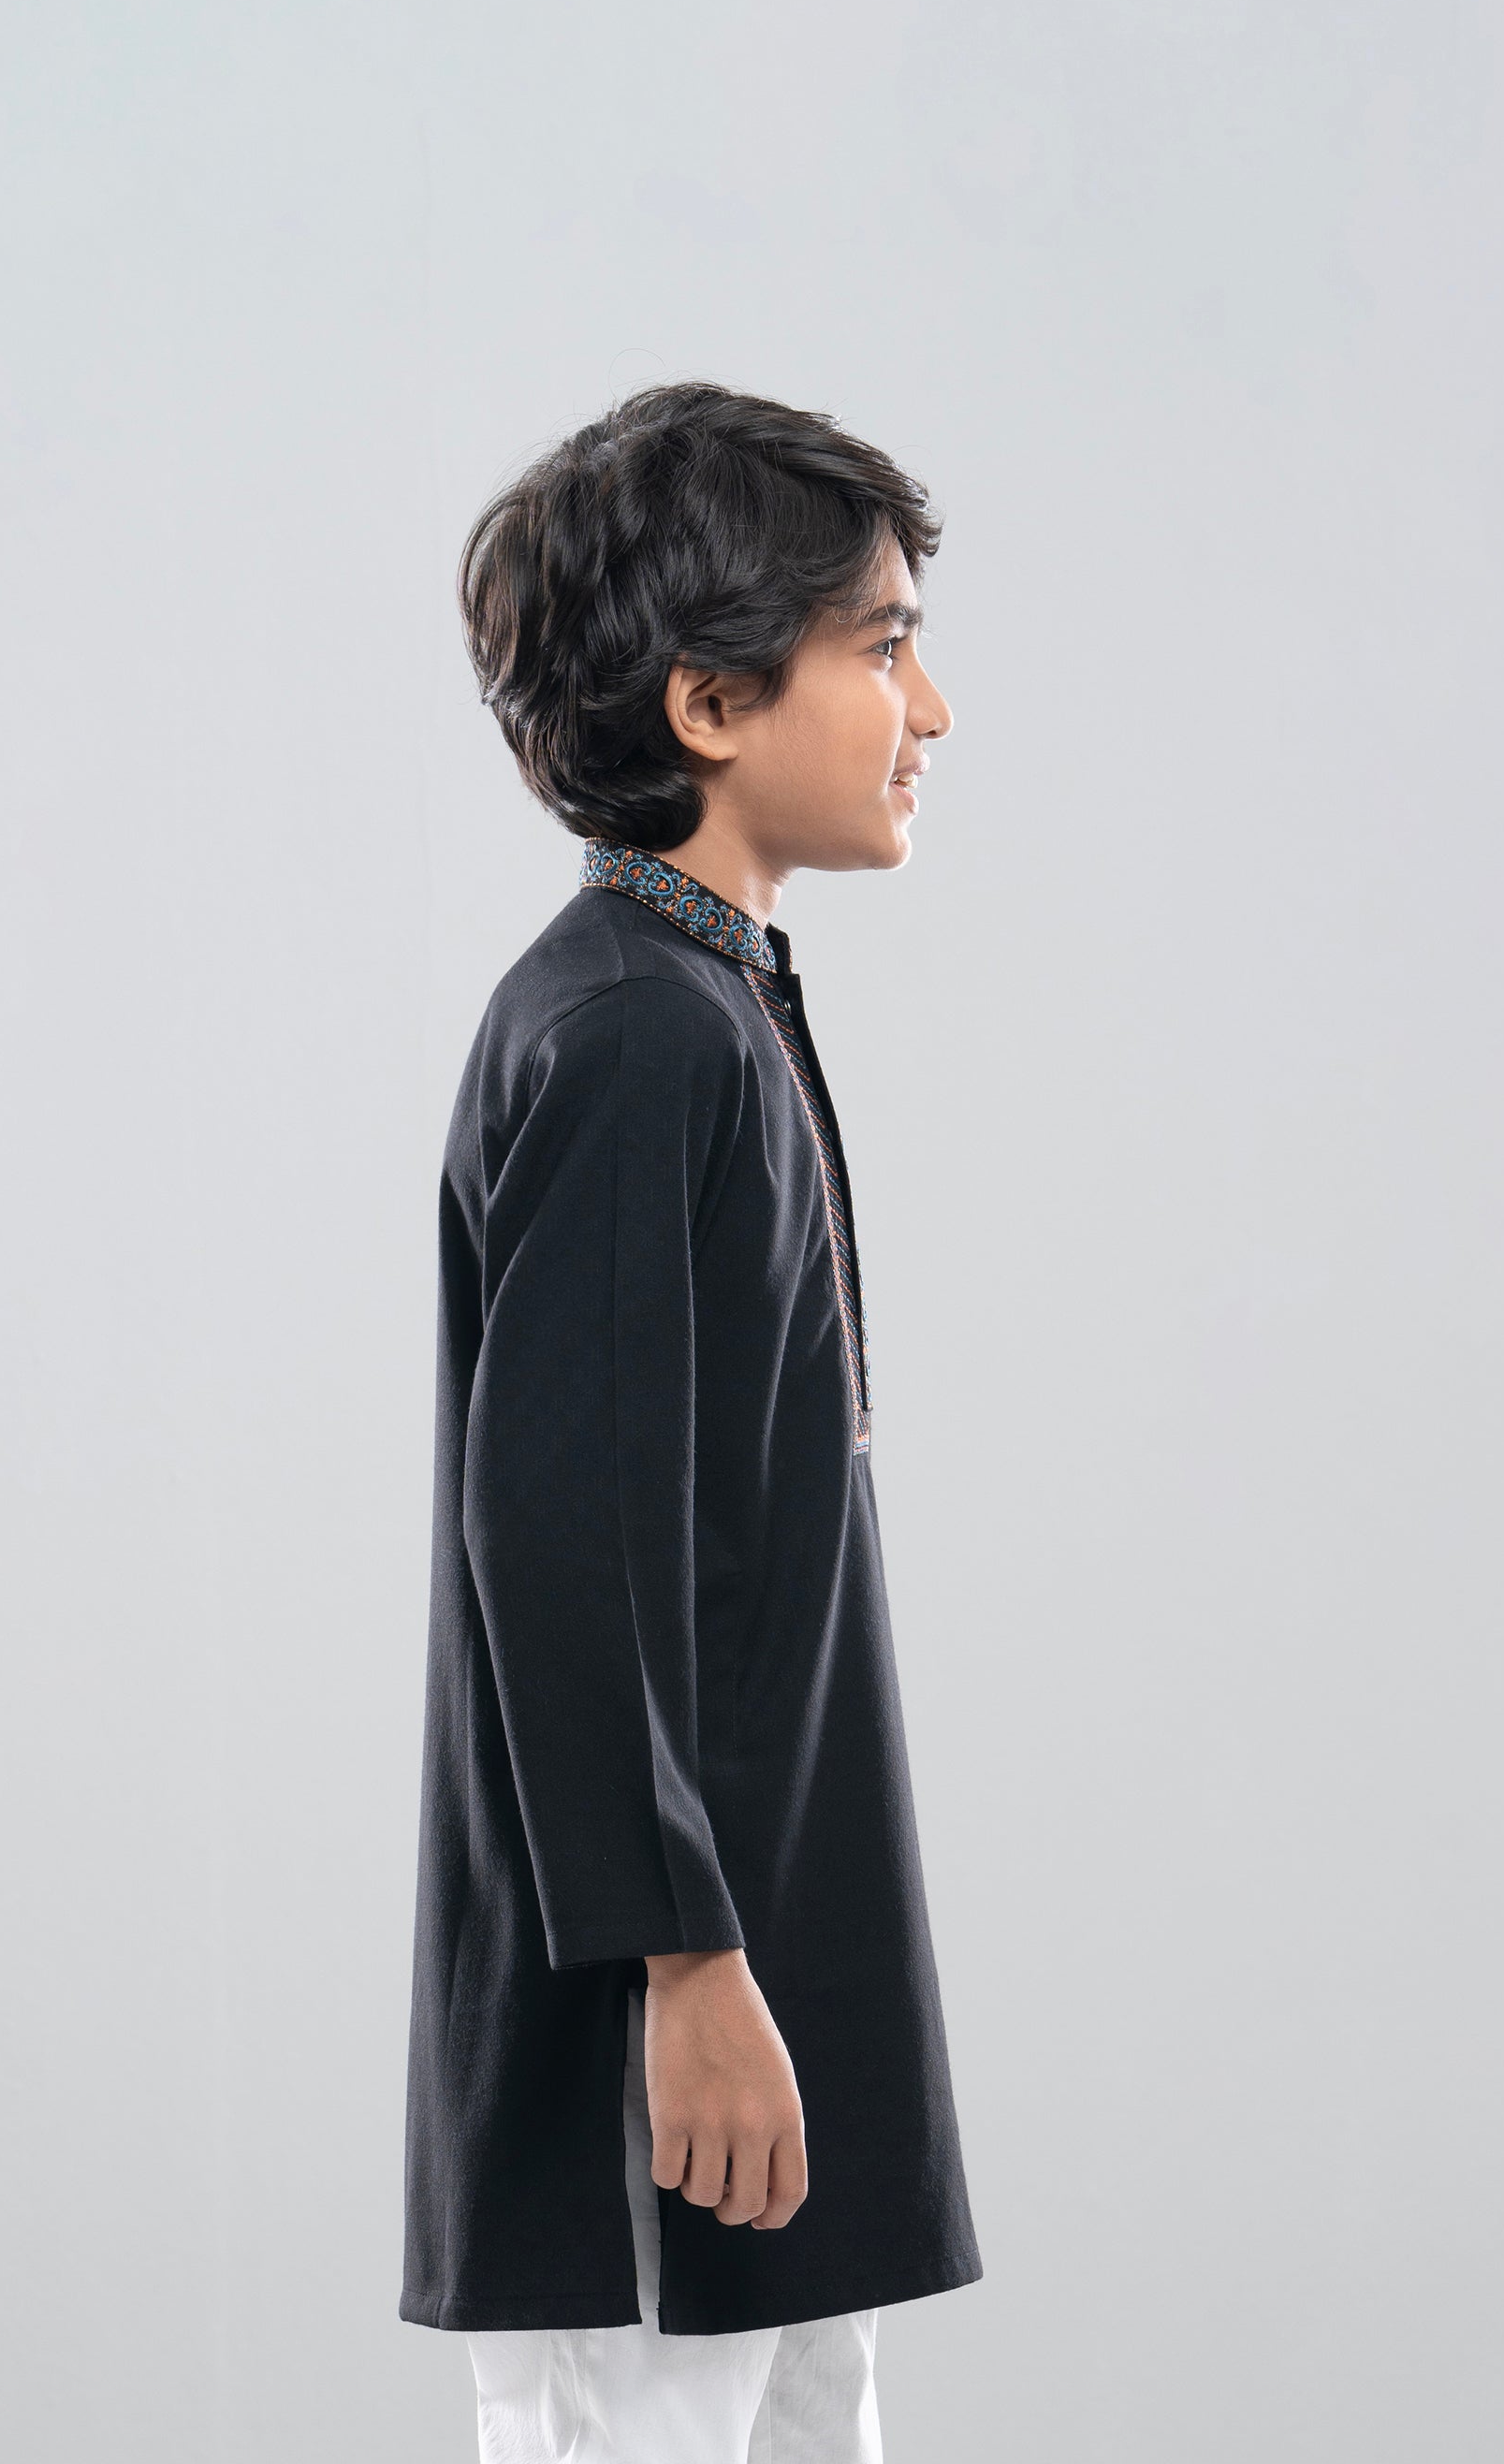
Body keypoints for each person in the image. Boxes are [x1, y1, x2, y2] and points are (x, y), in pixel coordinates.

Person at [400, 382, 981, 2461]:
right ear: (713, 701)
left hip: (762, 2006)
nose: (930, 710)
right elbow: (559, 1544)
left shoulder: (706, 1004)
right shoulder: (637, 1035)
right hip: (657, 2044)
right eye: (884, 646)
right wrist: (683, 1965)